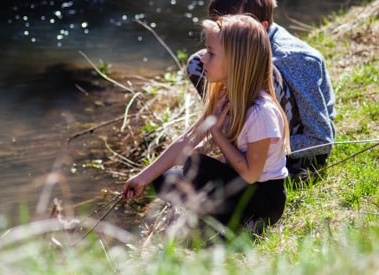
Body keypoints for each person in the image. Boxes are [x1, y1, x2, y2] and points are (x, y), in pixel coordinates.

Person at [122, 14, 289, 231]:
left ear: (236, 61)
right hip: (239, 185)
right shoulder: (225, 96)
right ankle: (216, 217)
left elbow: (250, 174)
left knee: (196, 164)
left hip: (264, 199)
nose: (202, 59)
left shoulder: (260, 113)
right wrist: (143, 177)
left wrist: (216, 133)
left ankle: (236, 224)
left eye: (211, 53)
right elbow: (188, 140)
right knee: (162, 181)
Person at [186, 0, 336, 180]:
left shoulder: (294, 59)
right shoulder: (233, 50)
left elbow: (321, 139)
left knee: (264, 72)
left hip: (297, 156)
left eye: (233, 27)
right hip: (250, 143)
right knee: (198, 62)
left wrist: (261, 149)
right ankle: (233, 138)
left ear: (262, 26)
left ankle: (246, 153)